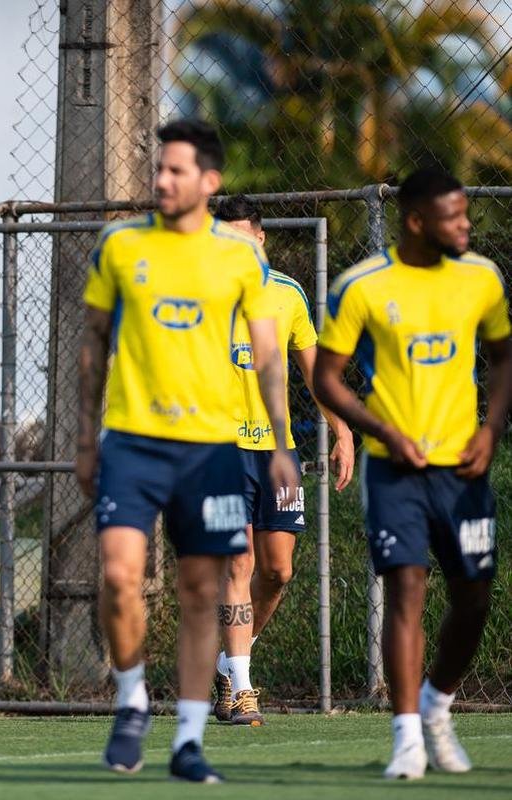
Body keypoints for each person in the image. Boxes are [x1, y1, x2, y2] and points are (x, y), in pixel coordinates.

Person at [75, 119, 298, 783]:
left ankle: (190, 739)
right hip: (132, 441)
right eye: (158, 169)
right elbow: (91, 344)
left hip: (212, 449)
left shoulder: (238, 259)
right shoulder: (118, 245)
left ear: (209, 181)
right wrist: (85, 438)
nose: (161, 180)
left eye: (175, 171)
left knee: (200, 590)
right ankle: (132, 699)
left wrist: (281, 442)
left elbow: (265, 358)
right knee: (118, 576)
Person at [313, 167, 511, 780]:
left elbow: (505, 357)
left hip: (463, 470)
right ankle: (407, 738)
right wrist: (384, 432)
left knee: (473, 598)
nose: (466, 225)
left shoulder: (482, 277)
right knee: (406, 589)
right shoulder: (363, 286)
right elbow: (326, 378)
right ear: (417, 220)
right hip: (393, 470)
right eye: (454, 216)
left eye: (467, 215)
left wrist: (490, 429)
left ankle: (437, 705)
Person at [212, 196, 355, 726]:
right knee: (239, 562)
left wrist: (341, 429)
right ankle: (244, 691)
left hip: (278, 453)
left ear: (261, 238)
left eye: (241, 239)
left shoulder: (288, 294)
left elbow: (317, 375)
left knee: (276, 571)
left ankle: (229, 665)